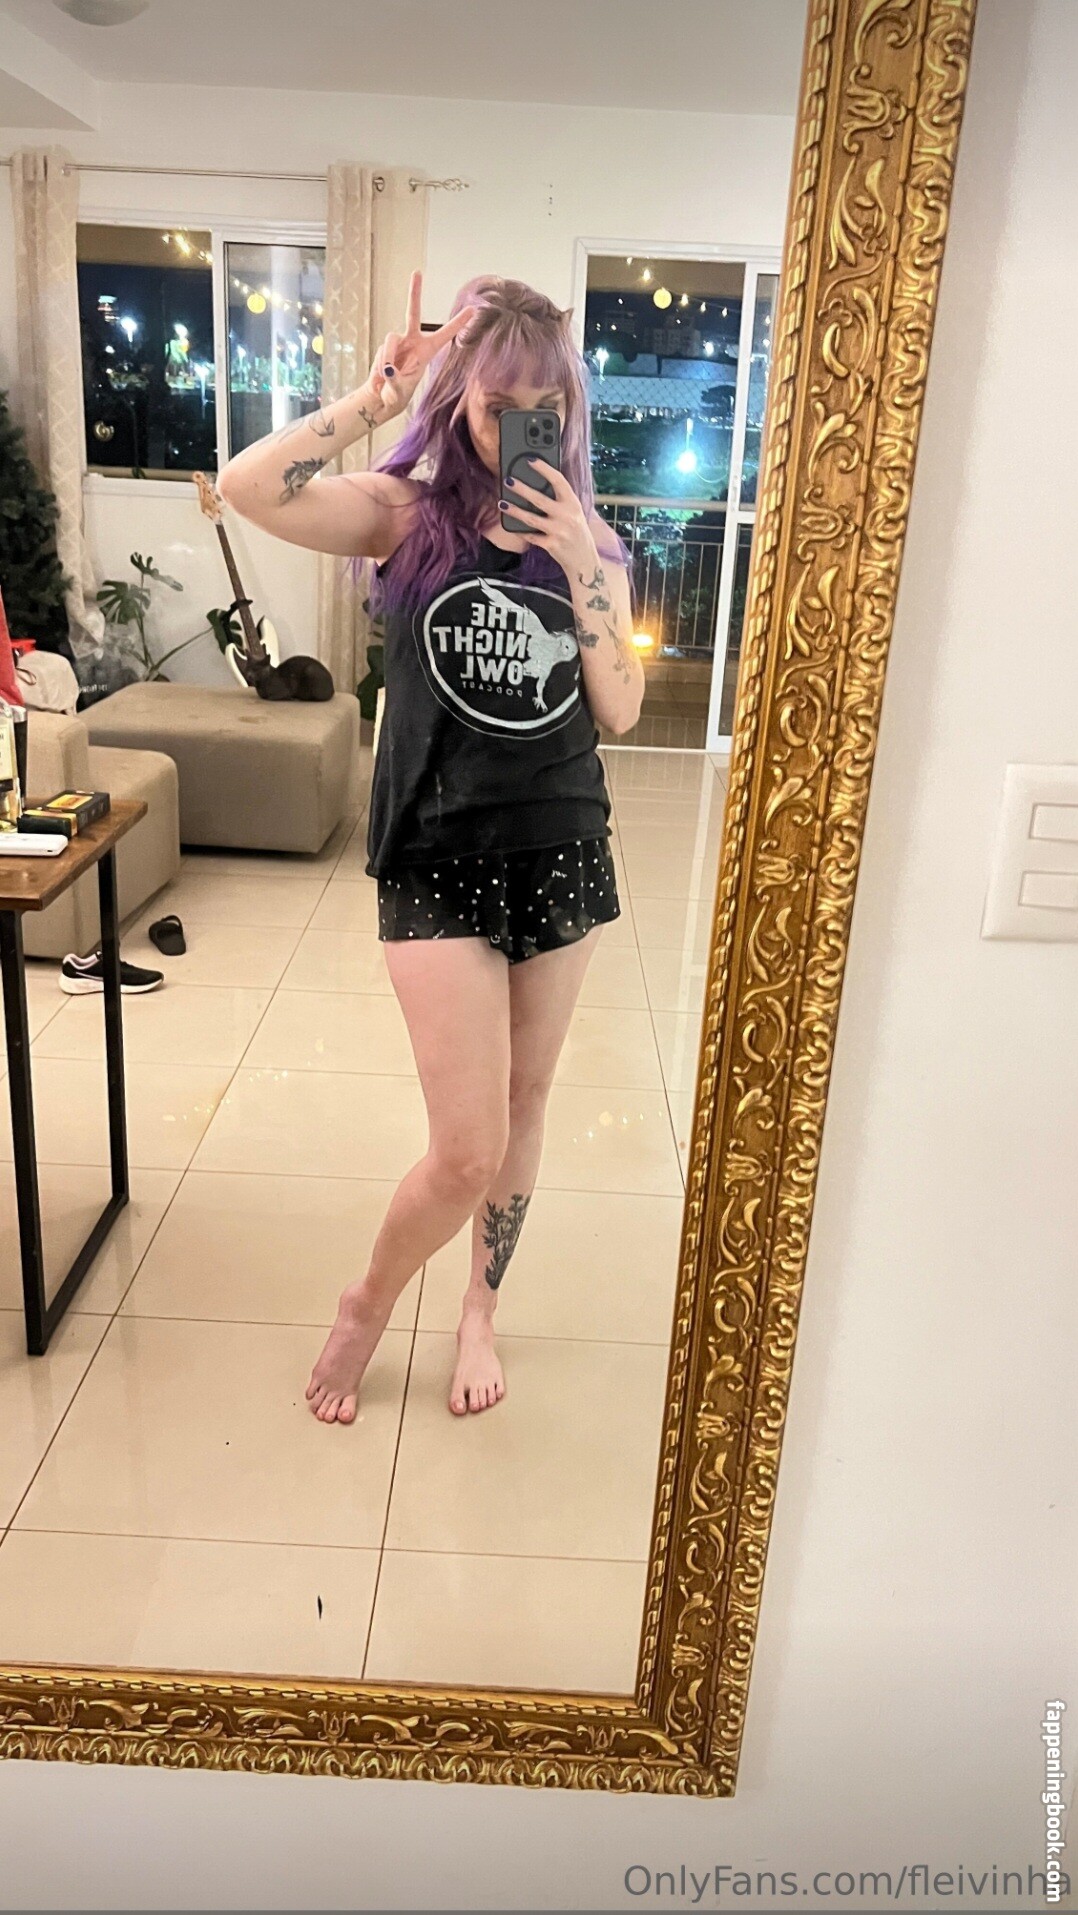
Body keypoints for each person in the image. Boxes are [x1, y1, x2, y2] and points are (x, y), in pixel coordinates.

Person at [218, 271, 644, 1422]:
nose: (520, 427)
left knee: (526, 1105)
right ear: (461, 399)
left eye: (545, 407)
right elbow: (249, 488)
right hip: (433, 851)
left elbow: (618, 707)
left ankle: (479, 1311)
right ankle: (367, 1299)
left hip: (559, 843)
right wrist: (373, 400)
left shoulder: (593, 545)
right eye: (500, 404)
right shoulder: (402, 515)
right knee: (465, 1148)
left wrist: (580, 563)